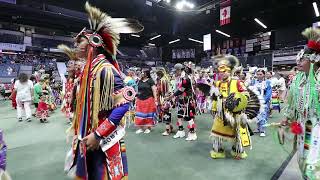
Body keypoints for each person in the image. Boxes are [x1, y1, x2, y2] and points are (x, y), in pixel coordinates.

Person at [66, 2, 143, 180]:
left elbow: (125, 103)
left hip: (101, 140)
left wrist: (99, 133)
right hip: (87, 138)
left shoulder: (105, 70)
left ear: (94, 42)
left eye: (80, 40)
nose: (76, 44)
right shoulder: (89, 70)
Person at [282, 27, 320, 180]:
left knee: (313, 164)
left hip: (317, 126)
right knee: (303, 160)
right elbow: (291, 104)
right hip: (303, 127)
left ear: (313, 60)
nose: (298, 61)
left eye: (302, 59)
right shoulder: (298, 79)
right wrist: (285, 122)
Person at [210, 55, 261, 159]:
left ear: (229, 71)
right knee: (216, 132)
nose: (222, 73)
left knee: (237, 134)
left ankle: (237, 150)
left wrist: (237, 101)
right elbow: (214, 98)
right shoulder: (218, 84)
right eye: (220, 72)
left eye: (224, 71)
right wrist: (214, 109)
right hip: (221, 114)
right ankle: (218, 150)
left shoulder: (237, 82)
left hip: (235, 113)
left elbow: (246, 94)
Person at [171, 63, 197, 141]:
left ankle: (192, 134)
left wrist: (172, 96)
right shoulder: (180, 78)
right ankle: (180, 131)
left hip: (188, 100)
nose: (175, 73)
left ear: (179, 70)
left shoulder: (186, 79)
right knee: (179, 115)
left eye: (176, 71)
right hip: (182, 99)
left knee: (189, 117)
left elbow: (180, 90)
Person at [134, 69, 158, 134]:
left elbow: (154, 90)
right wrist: (136, 98)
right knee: (139, 114)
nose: (141, 73)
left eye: (142, 72)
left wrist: (155, 100)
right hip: (140, 99)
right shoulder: (140, 81)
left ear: (146, 74)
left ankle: (148, 127)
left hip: (149, 99)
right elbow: (138, 90)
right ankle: (141, 128)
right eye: (141, 72)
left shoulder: (150, 81)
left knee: (148, 114)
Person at [250, 69, 272, 137]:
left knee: (263, 115)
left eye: (260, 74)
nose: (259, 76)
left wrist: (263, 101)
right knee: (257, 115)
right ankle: (258, 128)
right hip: (256, 101)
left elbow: (269, 92)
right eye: (258, 74)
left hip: (264, 102)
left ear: (264, 75)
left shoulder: (267, 82)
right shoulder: (254, 82)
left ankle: (262, 130)